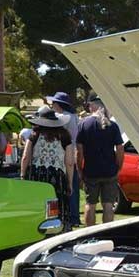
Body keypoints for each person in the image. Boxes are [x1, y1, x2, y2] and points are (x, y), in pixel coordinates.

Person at [20, 106, 74, 231]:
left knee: (37, 205)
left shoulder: (34, 134)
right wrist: (70, 182)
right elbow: (70, 162)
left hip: (36, 175)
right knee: (58, 205)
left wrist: (23, 175)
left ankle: (36, 229)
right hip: (58, 177)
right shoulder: (65, 135)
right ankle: (59, 229)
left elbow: (25, 157)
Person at [76, 93, 124, 226]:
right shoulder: (113, 126)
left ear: (93, 106)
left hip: (91, 171)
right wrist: (118, 167)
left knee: (90, 204)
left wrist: (80, 170)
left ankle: (90, 234)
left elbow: (79, 152)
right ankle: (107, 233)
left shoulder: (83, 124)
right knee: (108, 205)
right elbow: (120, 149)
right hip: (109, 171)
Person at [47, 91, 81, 227]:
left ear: (58, 104)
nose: (52, 105)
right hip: (73, 152)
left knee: (65, 187)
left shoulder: (61, 118)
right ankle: (75, 216)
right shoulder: (74, 117)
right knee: (74, 187)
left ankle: (67, 216)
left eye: (53, 103)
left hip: (63, 154)